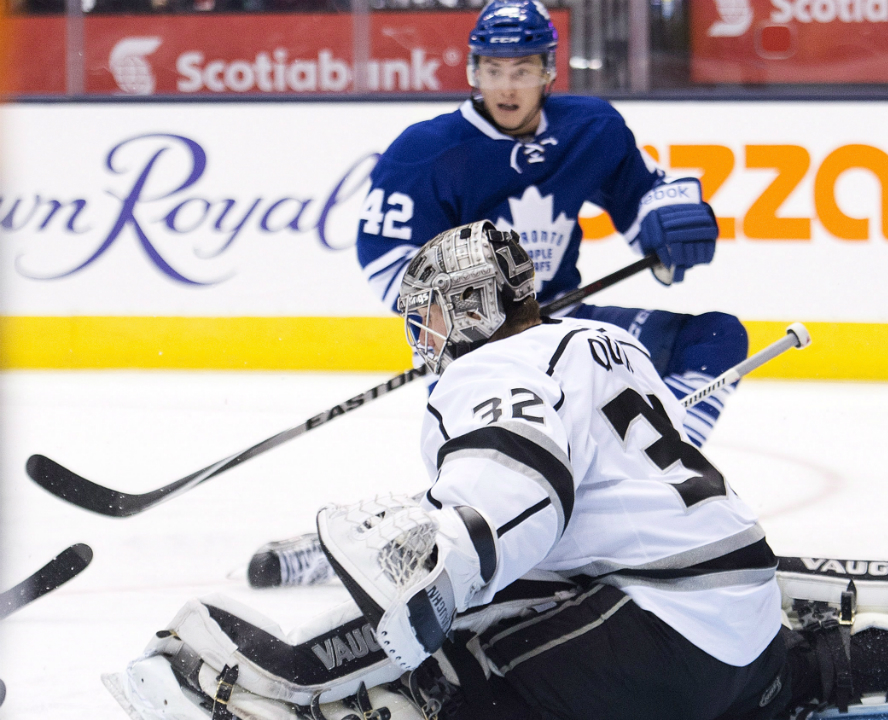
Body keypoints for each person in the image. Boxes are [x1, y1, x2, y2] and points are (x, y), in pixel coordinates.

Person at [105, 223, 888, 720]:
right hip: (729, 611)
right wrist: (377, 543)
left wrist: (436, 578)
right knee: (706, 667)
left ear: (480, 307)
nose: (425, 333)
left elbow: (518, 492)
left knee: (462, 676)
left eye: (437, 311)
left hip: (664, 625)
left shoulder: (488, 373)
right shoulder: (597, 343)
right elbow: (574, 489)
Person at [245, 0, 743, 589]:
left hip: (562, 321)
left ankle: (644, 476)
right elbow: (384, 261)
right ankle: (361, 543)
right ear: (473, 71)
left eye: (523, 69)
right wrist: (480, 325)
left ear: (550, 72)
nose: (508, 86)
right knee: (497, 485)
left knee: (715, 337)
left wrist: (672, 220)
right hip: (473, 348)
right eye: (494, 69)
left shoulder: (590, 129)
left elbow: (647, 199)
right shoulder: (428, 150)